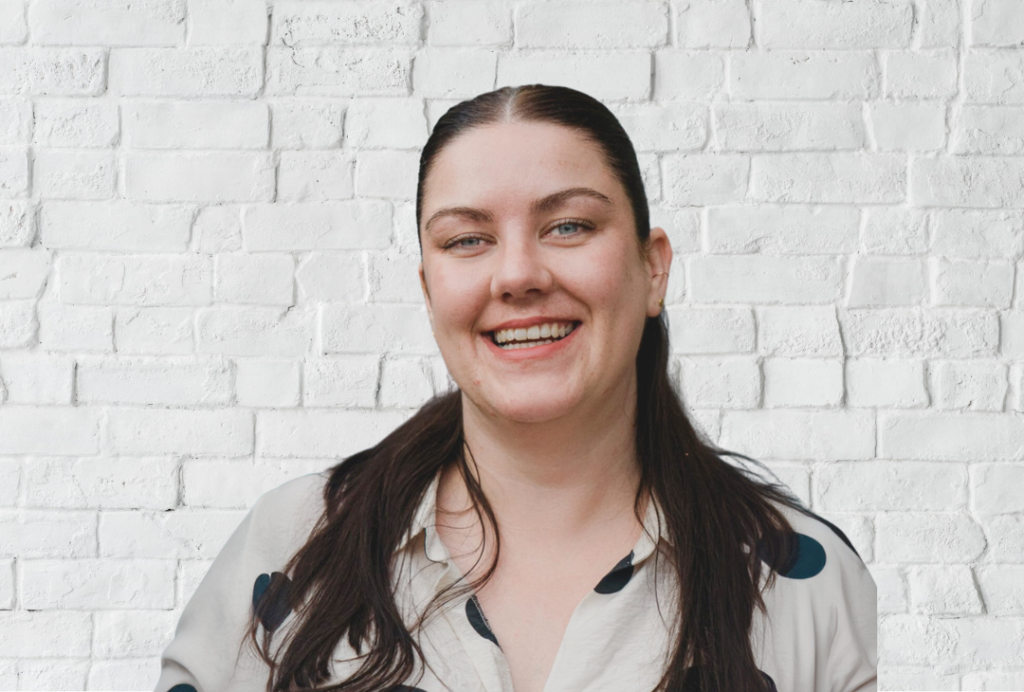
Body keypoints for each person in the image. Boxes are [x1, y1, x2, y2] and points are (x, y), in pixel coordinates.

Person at [154, 84, 877, 692]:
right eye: (467, 240)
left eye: (567, 225)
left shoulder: (805, 585)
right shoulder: (292, 544)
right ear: (430, 287)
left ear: (652, 269)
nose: (518, 275)